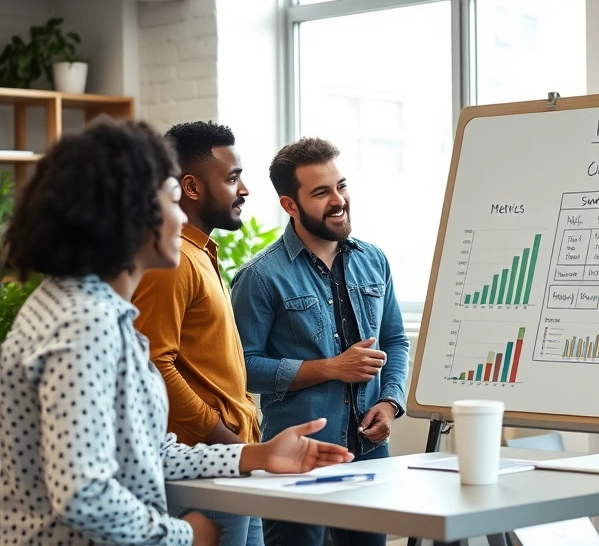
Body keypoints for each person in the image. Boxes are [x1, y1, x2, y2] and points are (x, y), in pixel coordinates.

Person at [0, 117, 354, 546]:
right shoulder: (83, 323)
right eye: (171, 200)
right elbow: (83, 492)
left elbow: (143, 453)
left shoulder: (93, 312)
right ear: (132, 214)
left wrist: (255, 454)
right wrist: (180, 535)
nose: (179, 218)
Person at [230, 137, 409, 546]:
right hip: (296, 459)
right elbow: (241, 369)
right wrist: (330, 368)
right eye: (321, 192)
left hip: (369, 456)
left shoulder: (374, 259)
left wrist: (389, 401)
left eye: (341, 185)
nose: (338, 199)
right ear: (290, 205)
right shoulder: (259, 277)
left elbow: (395, 340)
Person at [132, 120, 264, 545]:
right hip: (207, 463)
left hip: (232, 458)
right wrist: (221, 438)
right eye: (232, 178)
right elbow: (154, 363)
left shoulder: (200, 252)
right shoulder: (173, 263)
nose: (243, 189)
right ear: (190, 186)